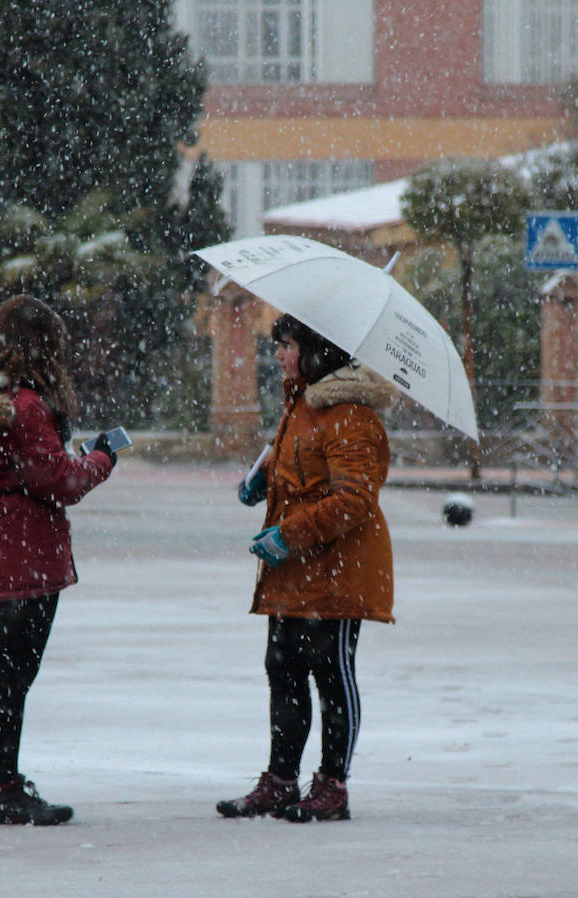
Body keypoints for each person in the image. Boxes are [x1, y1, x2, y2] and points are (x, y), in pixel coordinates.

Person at [0, 294, 117, 826]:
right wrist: (101, 458)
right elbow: (57, 481)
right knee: (12, 677)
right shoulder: (27, 406)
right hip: (25, 551)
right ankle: (4, 787)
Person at [217, 313, 397, 823]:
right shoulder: (300, 405)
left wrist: (288, 535)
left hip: (338, 572)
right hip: (295, 571)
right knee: (284, 669)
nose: (277, 356)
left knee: (331, 673)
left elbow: (353, 500)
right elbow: (299, 467)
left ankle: (332, 787)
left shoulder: (351, 415)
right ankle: (280, 781)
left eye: (287, 345)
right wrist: (262, 478)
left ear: (314, 351)